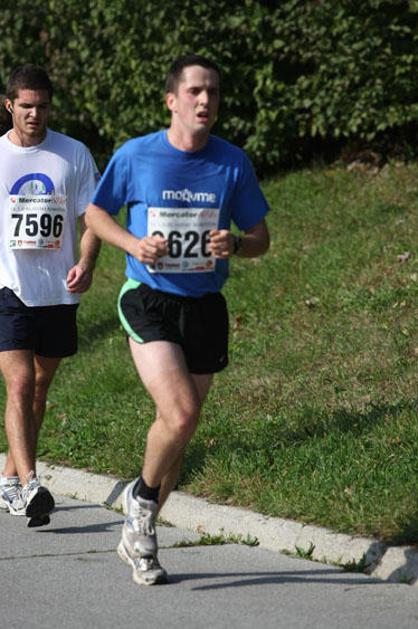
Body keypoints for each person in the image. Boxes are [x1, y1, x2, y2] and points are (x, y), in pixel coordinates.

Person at [85, 54, 270, 585]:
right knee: (182, 413)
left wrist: (236, 244)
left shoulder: (231, 162)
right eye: (194, 91)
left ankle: (139, 536)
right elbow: (96, 212)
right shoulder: (137, 154)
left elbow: (260, 238)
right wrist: (132, 244)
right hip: (149, 298)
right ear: (172, 100)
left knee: (177, 430)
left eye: (213, 91)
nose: (205, 100)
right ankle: (142, 501)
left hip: (205, 305)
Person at [0, 64, 101, 527]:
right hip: (9, 288)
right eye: (26, 106)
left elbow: (92, 218)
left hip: (58, 291)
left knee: (39, 388)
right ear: (9, 105)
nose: (34, 114)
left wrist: (87, 262)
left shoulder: (72, 154)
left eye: (42, 106)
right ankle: (30, 485)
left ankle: (8, 477)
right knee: (20, 384)